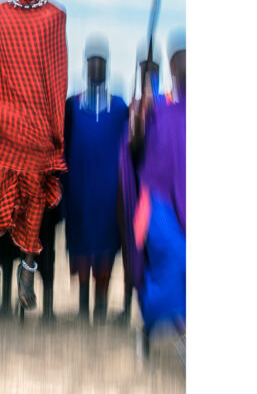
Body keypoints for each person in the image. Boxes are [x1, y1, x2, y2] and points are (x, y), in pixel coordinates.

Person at [0, 0, 68, 312]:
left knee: (33, 203)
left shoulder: (54, 17)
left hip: (36, 129)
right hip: (3, 126)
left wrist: (55, 131)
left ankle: (28, 270)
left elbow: (58, 74)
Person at [63, 33, 129, 324]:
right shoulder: (71, 107)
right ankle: (82, 307)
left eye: (101, 62)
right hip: (78, 191)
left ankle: (101, 308)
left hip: (108, 194)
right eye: (92, 62)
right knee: (80, 248)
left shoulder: (119, 109)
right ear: (85, 64)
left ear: (107, 65)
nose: (96, 68)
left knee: (105, 250)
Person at [129, 27, 186, 356]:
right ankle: (175, 332)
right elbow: (135, 151)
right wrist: (139, 126)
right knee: (177, 263)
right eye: (179, 61)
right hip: (159, 204)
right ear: (173, 66)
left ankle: (152, 329)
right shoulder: (154, 109)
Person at [117, 36, 171, 324]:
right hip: (135, 191)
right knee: (134, 249)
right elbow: (131, 149)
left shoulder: (167, 104)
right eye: (144, 67)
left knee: (159, 252)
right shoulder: (134, 105)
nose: (149, 72)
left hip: (160, 194)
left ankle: (161, 312)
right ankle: (129, 306)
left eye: (154, 67)